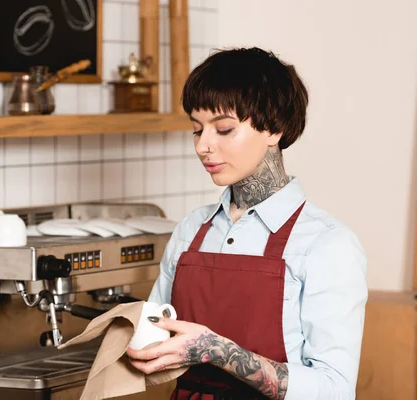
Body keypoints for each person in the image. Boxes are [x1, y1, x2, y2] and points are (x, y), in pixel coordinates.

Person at [126, 47, 368, 400]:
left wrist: (219, 351)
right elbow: (156, 340)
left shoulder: (326, 244)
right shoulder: (190, 231)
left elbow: (335, 389)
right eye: (197, 130)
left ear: (274, 128)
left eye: (224, 129)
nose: (203, 146)